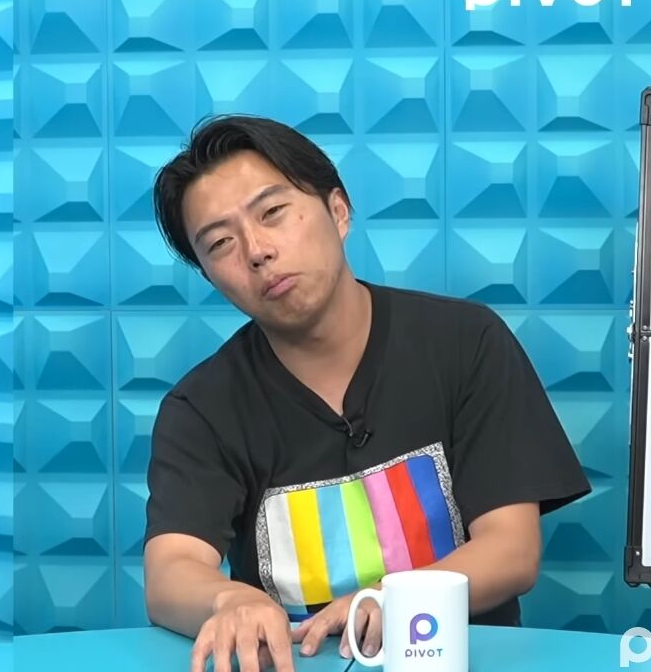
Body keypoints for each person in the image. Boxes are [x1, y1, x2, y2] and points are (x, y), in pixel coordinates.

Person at [141, 115, 591, 672]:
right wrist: (228, 600)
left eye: (272, 212)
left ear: (338, 210)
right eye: (220, 243)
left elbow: (512, 548)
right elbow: (172, 569)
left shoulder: (466, 343)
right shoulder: (201, 408)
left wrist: (392, 598)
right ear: (211, 277)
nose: (256, 250)